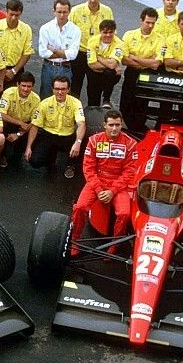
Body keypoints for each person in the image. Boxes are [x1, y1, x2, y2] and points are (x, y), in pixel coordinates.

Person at [69, 109, 138, 256]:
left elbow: (129, 172)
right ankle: (74, 241)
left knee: (125, 213)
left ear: (121, 125)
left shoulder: (131, 144)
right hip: (97, 181)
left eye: (118, 125)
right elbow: (88, 168)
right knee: (80, 207)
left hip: (117, 184)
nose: (114, 128)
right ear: (104, 125)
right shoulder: (94, 140)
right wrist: (100, 190)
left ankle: (114, 245)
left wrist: (112, 191)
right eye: (111, 125)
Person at [25, 75, 85, 179]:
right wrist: (28, 147)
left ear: (68, 89)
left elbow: (81, 124)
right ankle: (50, 160)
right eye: (57, 89)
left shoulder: (76, 103)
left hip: (67, 136)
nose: (60, 92)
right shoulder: (44, 103)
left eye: (63, 89)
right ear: (52, 89)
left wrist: (78, 142)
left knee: (78, 149)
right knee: (34, 161)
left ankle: (70, 165)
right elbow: (35, 126)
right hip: (49, 135)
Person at [120, 7, 164, 132]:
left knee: (141, 104)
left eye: (153, 23)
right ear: (141, 20)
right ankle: (133, 128)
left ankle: (138, 130)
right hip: (131, 73)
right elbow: (123, 59)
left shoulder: (160, 39)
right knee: (125, 103)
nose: (150, 25)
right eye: (148, 22)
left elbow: (156, 64)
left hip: (148, 74)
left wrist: (134, 58)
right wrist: (146, 61)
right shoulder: (129, 35)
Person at [69, 0, 114, 98]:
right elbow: (68, 33)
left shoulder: (107, 11)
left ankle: (94, 113)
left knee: (95, 89)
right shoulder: (75, 11)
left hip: (97, 55)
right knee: (75, 87)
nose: (93, 0)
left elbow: (111, 33)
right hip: (79, 54)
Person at [38, 0, 80, 99]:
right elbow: (43, 52)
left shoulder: (75, 30)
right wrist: (64, 53)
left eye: (65, 12)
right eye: (59, 12)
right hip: (48, 67)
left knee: (63, 98)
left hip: (65, 68)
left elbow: (73, 55)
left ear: (69, 12)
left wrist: (53, 50)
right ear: (54, 12)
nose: (62, 15)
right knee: (45, 97)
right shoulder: (45, 28)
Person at [0, 0, 34, 88]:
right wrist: (1, 70)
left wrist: (13, 71)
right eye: (11, 14)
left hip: (16, 70)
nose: (13, 18)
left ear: (20, 14)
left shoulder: (26, 29)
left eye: (16, 15)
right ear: (6, 12)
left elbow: (27, 53)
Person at [0, 71, 40, 165]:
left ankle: (21, 151)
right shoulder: (8, 93)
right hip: (9, 123)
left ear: (32, 87)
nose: (25, 89)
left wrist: (18, 134)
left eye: (29, 86)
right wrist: (20, 123)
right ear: (17, 84)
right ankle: (0, 155)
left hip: (25, 128)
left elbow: (34, 122)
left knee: (36, 131)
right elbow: (1, 114)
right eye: (23, 85)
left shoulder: (36, 99)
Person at [85, 19, 123, 107]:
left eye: (111, 32)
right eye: (105, 32)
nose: (108, 35)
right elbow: (92, 64)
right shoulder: (92, 41)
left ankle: (106, 99)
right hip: (94, 74)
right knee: (93, 102)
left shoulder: (119, 43)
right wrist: (111, 64)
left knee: (110, 72)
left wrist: (98, 57)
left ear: (115, 32)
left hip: (110, 77)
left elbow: (112, 65)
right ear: (100, 31)